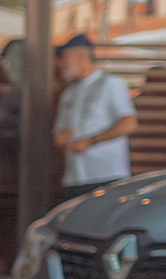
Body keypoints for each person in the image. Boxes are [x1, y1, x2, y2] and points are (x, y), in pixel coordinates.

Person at [53, 33, 136, 190]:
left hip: (107, 176)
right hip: (75, 177)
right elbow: (59, 132)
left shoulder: (110, 84)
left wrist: (90, 141)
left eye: (66, 58)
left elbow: (129, 124)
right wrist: (60, 137)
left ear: (83, 56)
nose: (62, 64)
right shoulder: (69, 92)